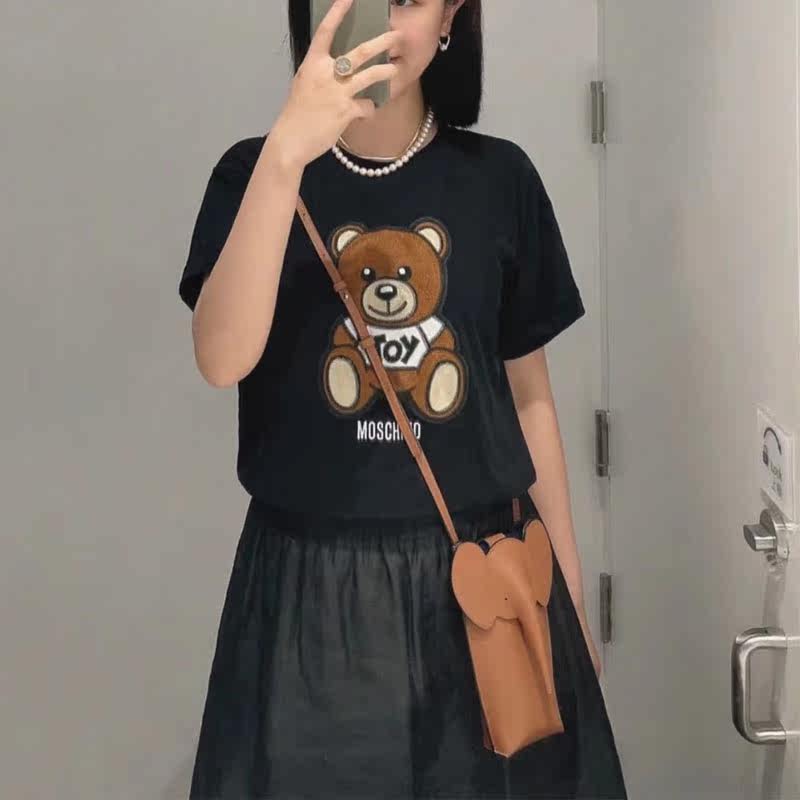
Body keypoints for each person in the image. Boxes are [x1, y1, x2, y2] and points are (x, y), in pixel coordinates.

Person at [178, 0, 628, 797]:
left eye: (411, 0)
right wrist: (286, 154)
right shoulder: (252, 174)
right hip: (309, 593)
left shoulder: (500, 180)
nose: (385, 22)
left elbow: (529, 398)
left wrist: (568, 604)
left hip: (483, 581)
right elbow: (221, 358)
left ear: (452, 16)